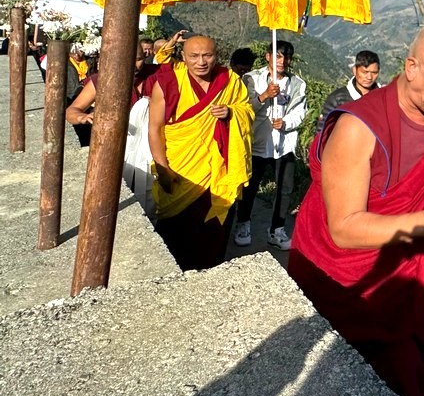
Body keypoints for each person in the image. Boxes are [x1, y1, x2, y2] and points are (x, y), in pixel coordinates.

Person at [288, 24, 424, 396]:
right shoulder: (358, 127)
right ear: (411, 67)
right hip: (346, 280)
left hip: (406, 280)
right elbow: (343, 228)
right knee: (336, 392)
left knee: (404, 387)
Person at [148, 34, 253, 270]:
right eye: (194, 56)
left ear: (217, 56)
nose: (201, 62)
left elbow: (246, 110)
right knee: (175, 235)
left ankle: (210, 273)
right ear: (183, 57)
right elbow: (155, 129)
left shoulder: (230, 81)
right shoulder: (167, 82)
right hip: (180, 167)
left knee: (211, 237)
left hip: (218, 171)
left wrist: (231, 113)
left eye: (207, 55)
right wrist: (163, 169)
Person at [66, 42, 159, 215]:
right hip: (117, 146)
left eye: (139, 59)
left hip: (154, 145)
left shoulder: (158, 74)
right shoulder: (102, 80)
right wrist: (82, 117)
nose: (134, 65)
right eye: (127, 59)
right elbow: (72, 111)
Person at [234, 40, 307, 251]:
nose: (282, 61)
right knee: (249, 187)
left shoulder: (297, 84)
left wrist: (286, 123)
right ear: (268, 56)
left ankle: (277, 230)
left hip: (284, 145)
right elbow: (244, 108)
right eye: (277, 56)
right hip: (258, 142)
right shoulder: (251, 79)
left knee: (284, 189)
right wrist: (265, 95)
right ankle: (243, 224)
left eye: (286, 57)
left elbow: (300, 112)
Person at [316, 50, 380, 133]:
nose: (369, 77)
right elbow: (322, 132)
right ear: (354, 70)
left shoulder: (383, 99)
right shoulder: (337, 99)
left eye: (374, 73)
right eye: (365, 72)